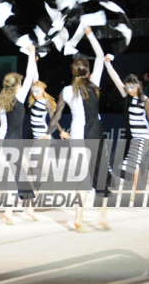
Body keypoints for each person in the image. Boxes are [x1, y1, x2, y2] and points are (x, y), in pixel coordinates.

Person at [48, 26, 110, 233]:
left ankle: (79, 219)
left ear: (73, 72)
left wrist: (49, 132)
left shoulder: (66, 90)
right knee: (101, 175)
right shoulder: (94, 83)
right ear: (88, 71)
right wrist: (89, 34)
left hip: (76, 135)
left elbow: (56, 114)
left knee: (82, 178)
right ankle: (102, 218)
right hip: (93, 133)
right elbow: (100, 55)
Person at [104, 56, 149, 196]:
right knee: (132, 164)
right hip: (132, 137)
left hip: (142, 137)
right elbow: (116, 78)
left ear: (138, 85)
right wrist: (107, 64)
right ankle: (138, 189)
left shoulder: (146, 101)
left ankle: (137, 190)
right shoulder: (127, 96)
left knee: (130, 164)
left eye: (132, 86)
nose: (129, 89)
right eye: (127, 86)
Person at [0, 44, 38, 225]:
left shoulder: (2, 102)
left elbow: (2, 128)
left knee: (21, 176)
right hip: (15, 144)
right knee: (18, 177)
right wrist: (31, 54)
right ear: (18, 85)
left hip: (7, 143)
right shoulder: (18, 98)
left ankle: (27, 209)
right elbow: (29, 77)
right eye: (21, 83)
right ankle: (10, 211)